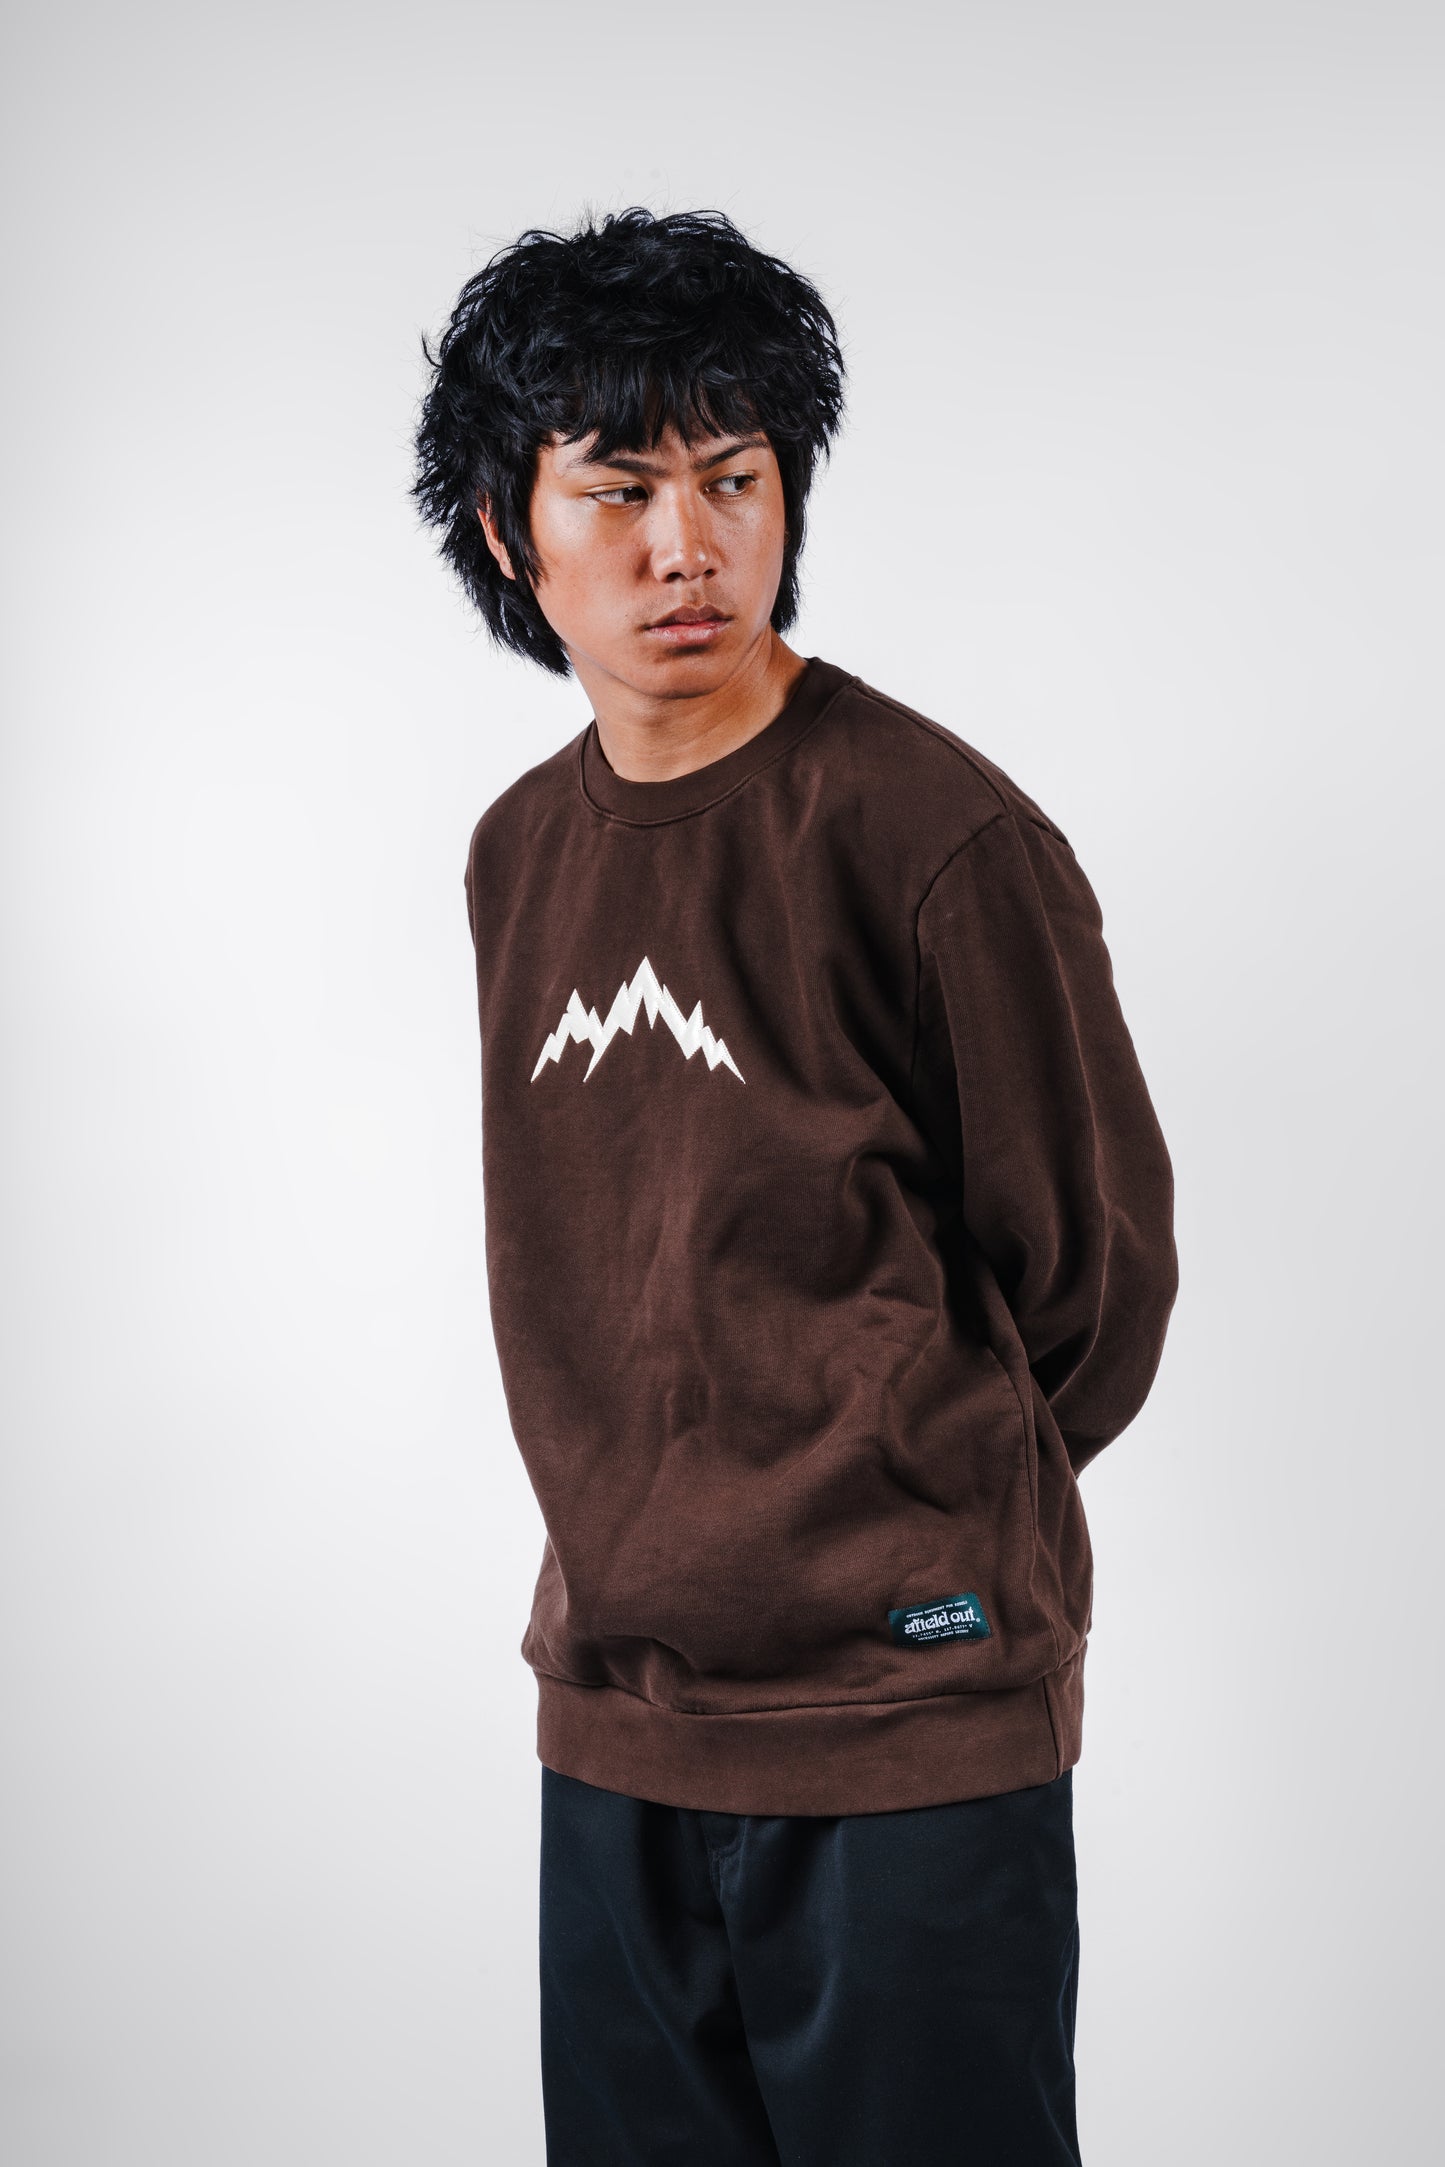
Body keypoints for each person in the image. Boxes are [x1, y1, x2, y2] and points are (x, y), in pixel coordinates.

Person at [411, 205, 1178, 2166]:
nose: (688, 545)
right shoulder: (517, 853)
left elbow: (1091, 1284)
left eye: (735, 479)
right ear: (508, 529)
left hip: (910, 1721)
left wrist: (900, 1508)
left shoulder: (938, 836)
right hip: (619, 1710)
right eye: (621, 489)